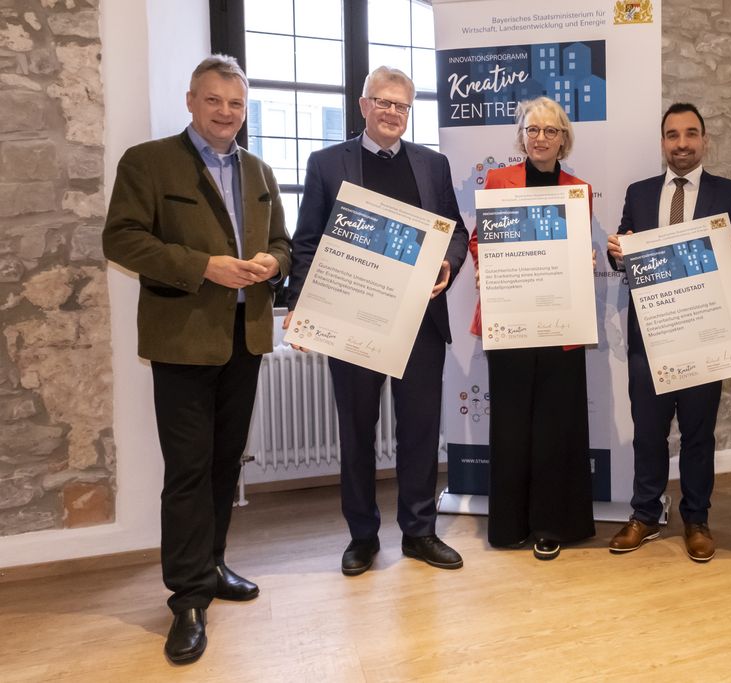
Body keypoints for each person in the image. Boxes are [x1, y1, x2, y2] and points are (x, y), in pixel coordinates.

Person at [103, 55, 291, 664]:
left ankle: (211, 568)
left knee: (222, 465)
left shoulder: (259, 170)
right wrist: (200, 266)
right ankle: (186, 599)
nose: (225, 113)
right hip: (182, 340)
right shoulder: (148, 162)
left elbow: (283, 245)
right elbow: (122, 239)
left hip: (246, 337)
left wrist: (273, 265)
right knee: (188, 469)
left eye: (236, 104)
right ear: (191, 101)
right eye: (214, 101)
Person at [285, 66, 469, 576]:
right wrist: (301, 304)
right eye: (383, 103)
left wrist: (450, 262)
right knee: (357, 432)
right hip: (352, 321)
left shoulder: (433, 165)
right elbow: (307, 241)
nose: (392, 113)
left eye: (402, 106)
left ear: (410, 112)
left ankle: (419, 532)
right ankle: (362, 537)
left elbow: (454, 231)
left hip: (420, 324)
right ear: (364, 106)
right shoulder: (326, 163)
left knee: (418, 431)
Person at [606, 102, 731, 562]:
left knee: (699, 434)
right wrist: (617, 252)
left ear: (704, 140)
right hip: (651, 335)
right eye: (673, 135)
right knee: (648, 432)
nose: (682, 143)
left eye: (691, 134)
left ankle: (696, 519)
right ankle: (645, 514)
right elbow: (625, 254)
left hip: (707, 335)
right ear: (662, 142)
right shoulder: (638, 193)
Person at [468, 97, 595, 561]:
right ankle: (508, 525)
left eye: (550, 130)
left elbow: (580, 251)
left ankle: (550, 524)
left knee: (555, 428)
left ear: (563, 138)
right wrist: (485, 263)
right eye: (532, 129)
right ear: (521, 135)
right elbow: (479, 239)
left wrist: (586, 258)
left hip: (560, 325)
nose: (540, 137)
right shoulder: (500, 182)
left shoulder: (578, 189)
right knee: (512, 426)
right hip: (512, 322)